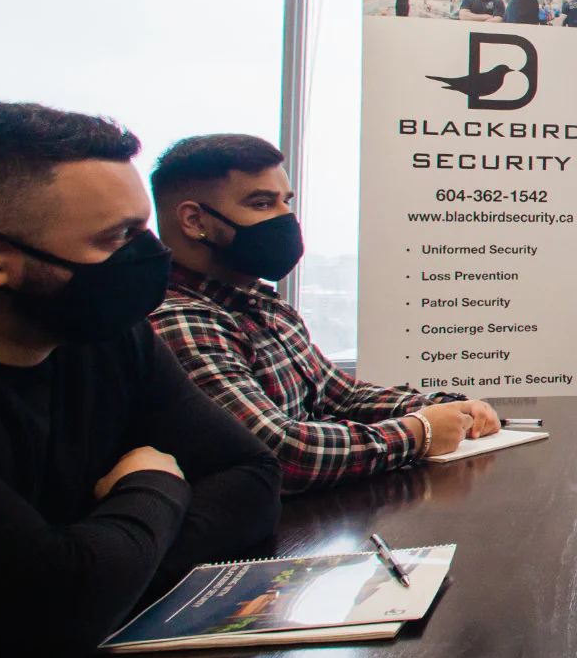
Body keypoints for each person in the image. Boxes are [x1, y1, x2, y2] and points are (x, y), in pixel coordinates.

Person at [0, 103, 282, 658]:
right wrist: (154, 484)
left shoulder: (113, 339)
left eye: (142, 228)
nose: (150, 255)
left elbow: (253, 478)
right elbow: (52, 611)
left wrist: (106, 566)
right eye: (117, 238)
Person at [147, 134, 500, 494]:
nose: (286, 218)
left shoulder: (262, 304)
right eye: (262, 204)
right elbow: (280, 452)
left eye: (285, 202)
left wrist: (445, 409)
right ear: (193, 219)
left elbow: (341, 396)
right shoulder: (180, 320)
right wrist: (418, 432)